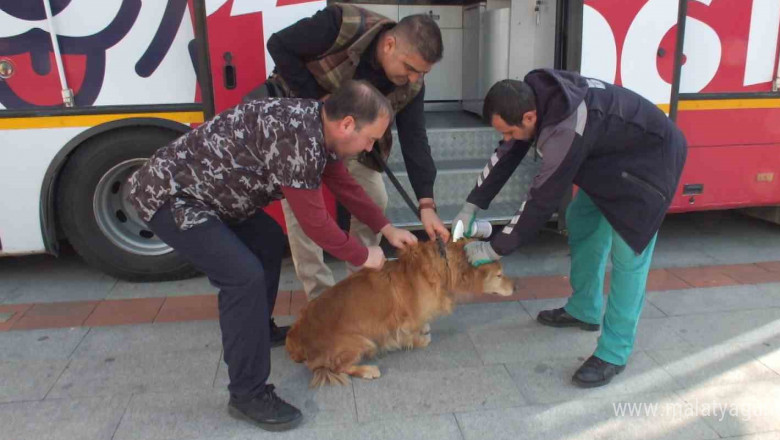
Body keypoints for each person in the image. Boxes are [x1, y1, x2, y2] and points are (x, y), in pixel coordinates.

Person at [127, 80, 417, 431]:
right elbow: (316, 225)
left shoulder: (317, 125)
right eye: (370, 139)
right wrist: (362, 255)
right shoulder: (298, 140)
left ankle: (257, 330)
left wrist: (385, 228)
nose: (370, 147)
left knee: (266, 239)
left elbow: (344, 186)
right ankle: (247, 394)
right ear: (347, 125)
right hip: (172, 199)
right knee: (242, 277)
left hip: (212, 198)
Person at [453, 69, 687, 388]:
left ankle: (614, 352)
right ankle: (584, 309)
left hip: (649, 165)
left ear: (529, 116)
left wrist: (493, 248)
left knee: (629, 253)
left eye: (508, 131)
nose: (506, 138)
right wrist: (471, 205)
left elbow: (539, 201)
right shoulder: (535, 99)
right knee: (582, 220)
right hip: (608, 161)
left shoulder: (564, 129)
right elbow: (507, 152)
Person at [258, 4, 449, 302]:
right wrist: (321, 104)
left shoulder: (413, 84)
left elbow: (415, 138)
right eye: (410, 68)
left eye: (421, 73)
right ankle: (321, 298)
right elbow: (279, 45)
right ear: (389, 44)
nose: (414, 79)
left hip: (357, 143)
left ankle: (360, 289)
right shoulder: (340, 23)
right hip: (302, 133)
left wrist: (426, 202)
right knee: (304, 217)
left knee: (375, 198)